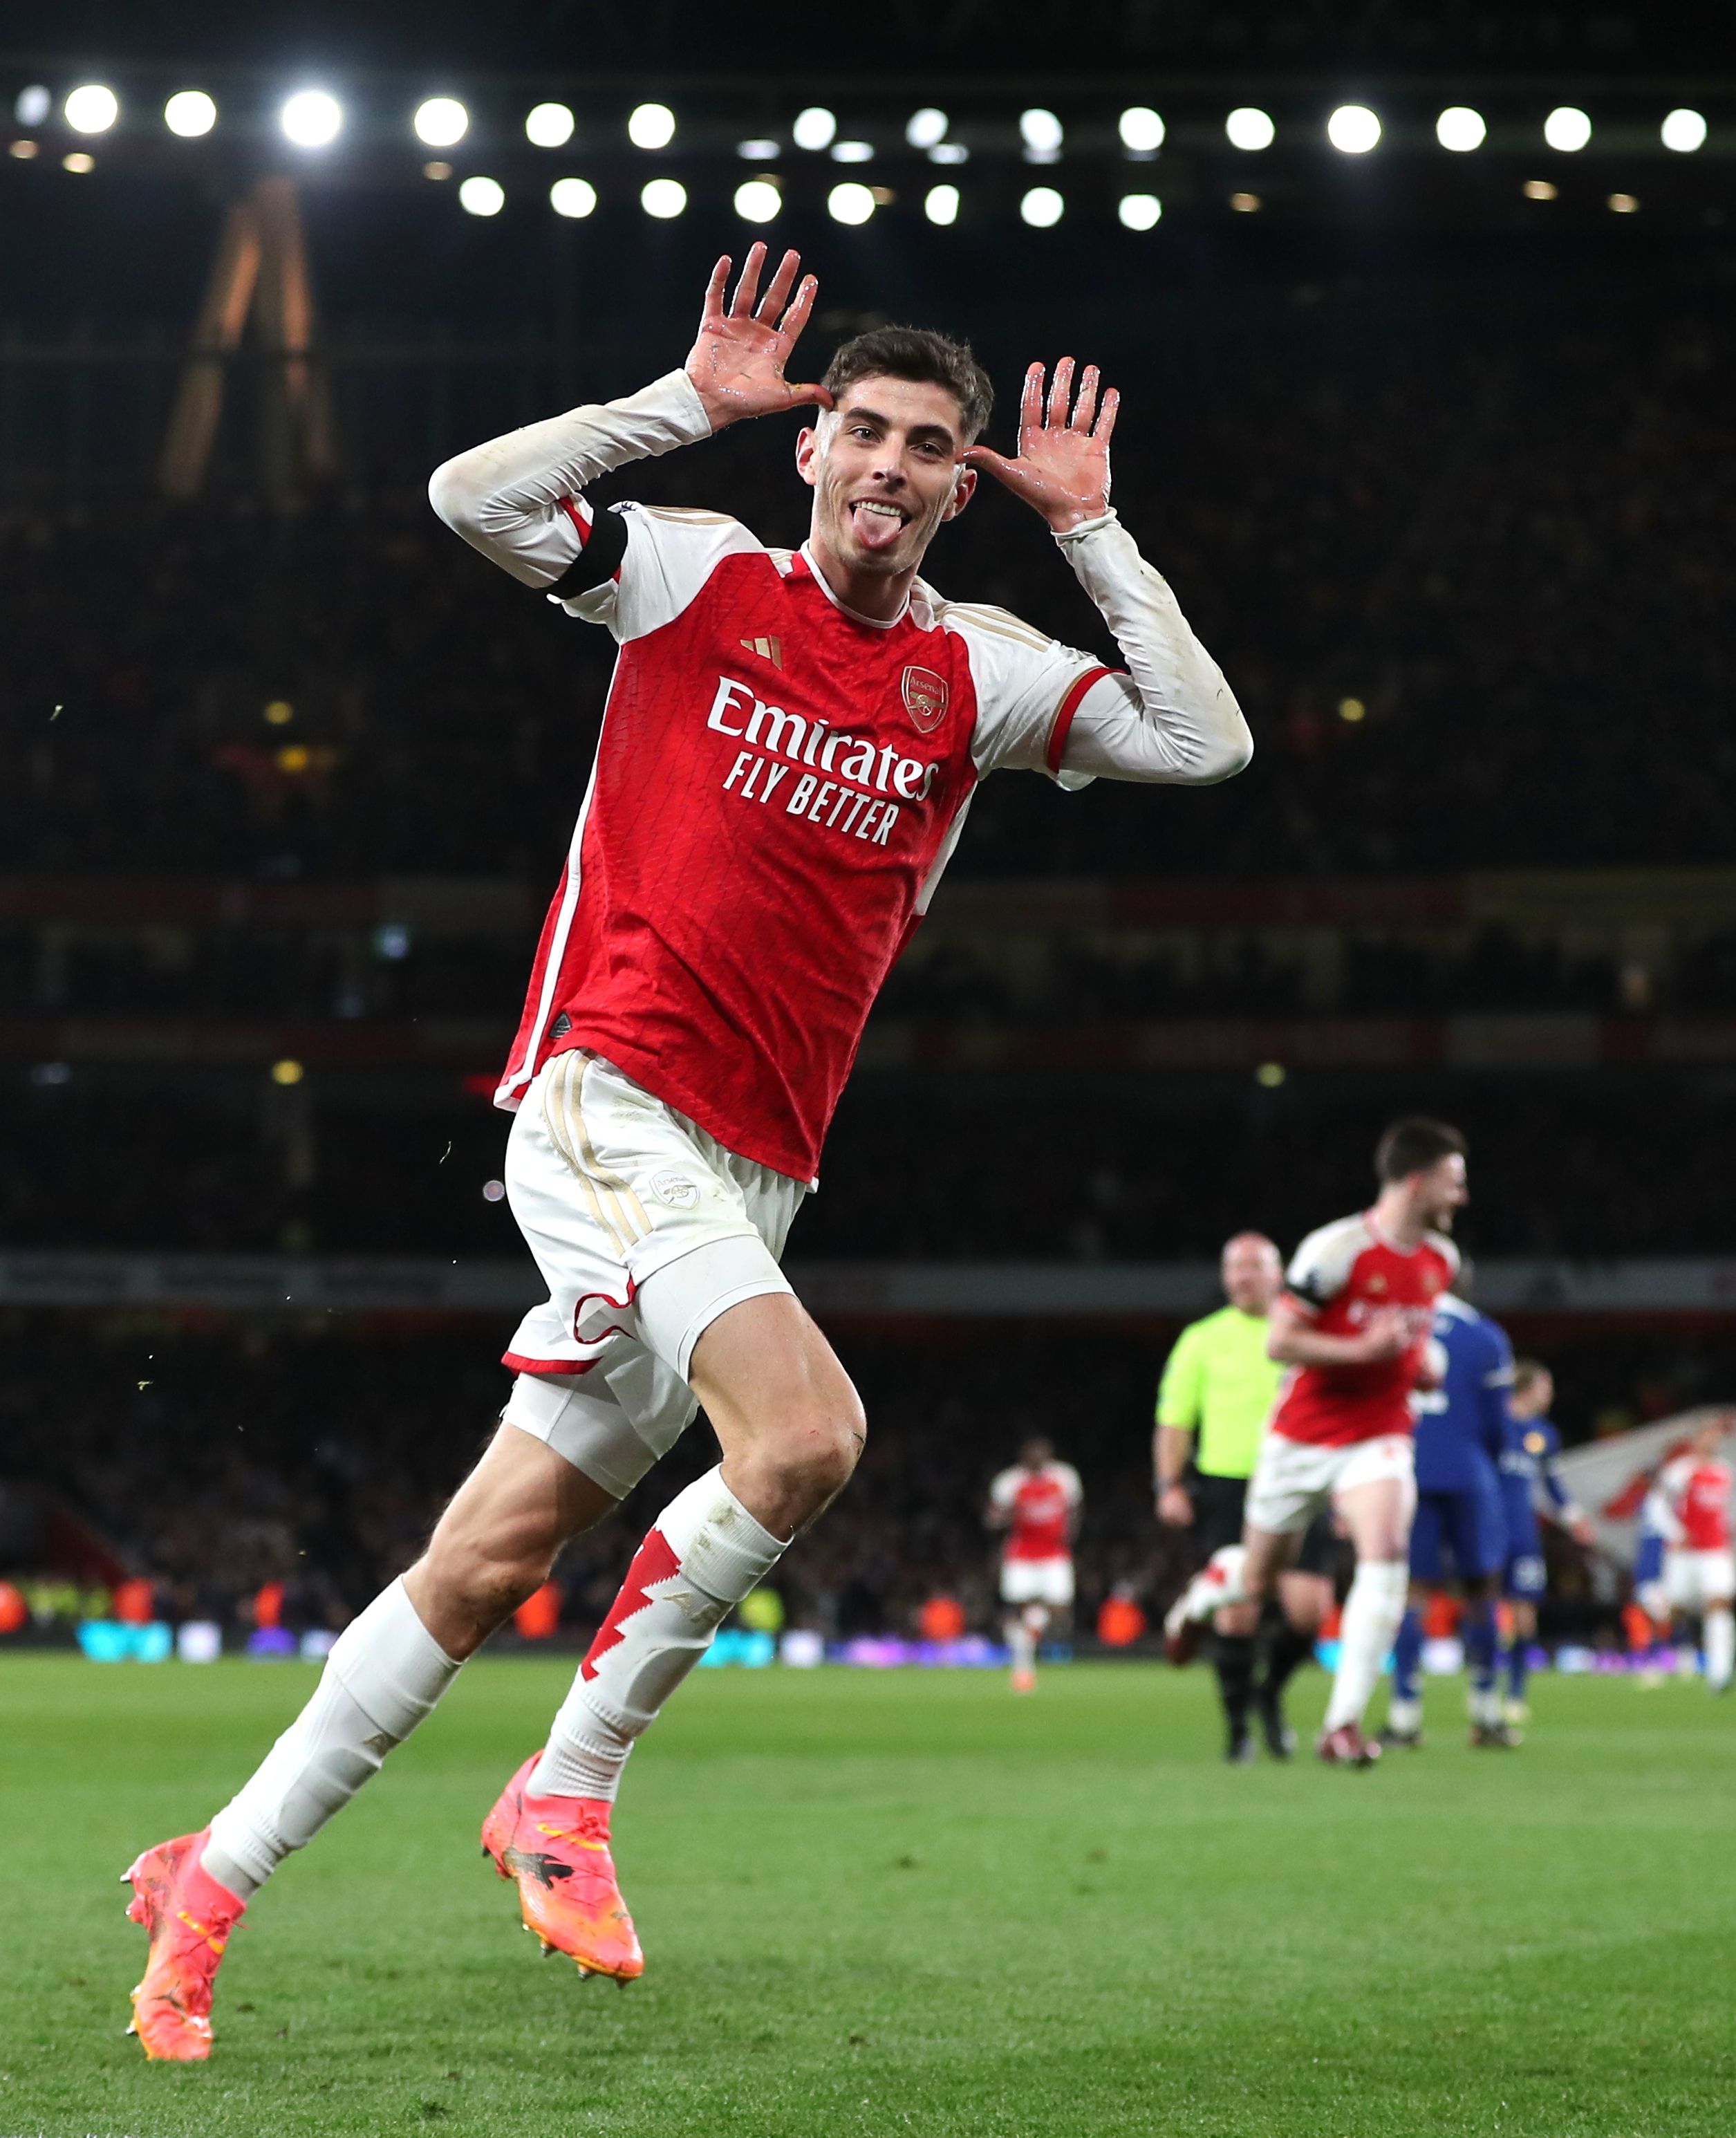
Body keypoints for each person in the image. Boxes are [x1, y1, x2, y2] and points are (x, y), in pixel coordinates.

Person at [120, 243, 1252, 2059]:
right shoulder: (685, 572)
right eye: (859, 429)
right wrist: (682, 407)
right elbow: (466, 496)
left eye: (926, 445)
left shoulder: (977, 674)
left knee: (483, 1557)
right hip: (606, 1098)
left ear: (964, 480)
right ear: (811, 453)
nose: (885, 462)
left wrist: (1092, 531)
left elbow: (1204, 740)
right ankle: (562, 1790)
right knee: (804, 1436)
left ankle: (213, 1876)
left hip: (754, 1170)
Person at [1164, 1117, 1466, 1767]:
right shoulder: (1335, 1251)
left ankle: (1342, 1725)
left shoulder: (1442, 1261)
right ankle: (1199, 1598)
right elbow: (1281, 1342)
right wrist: (1363, 1350)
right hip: (1300, 1439)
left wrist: (1420, 1364)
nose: (1461, 1196)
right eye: (1453, 1181)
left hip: (1379, 1436)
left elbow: (1409, 1341)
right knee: (1253, 1579)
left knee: (1384, 1552)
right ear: (1417, 1181)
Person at [1154, 1232, 1334, 1760]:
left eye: (1254, 1267)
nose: (1242, 1277)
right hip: (1229, 1486)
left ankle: (1268, 1696)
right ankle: (1237, 1732)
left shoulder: (1306, 1331)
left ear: (1279, 1274)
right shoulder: (1201, 1339)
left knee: (1309, 1613)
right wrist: (1168, 1484)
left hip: (1303, 1478)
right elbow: (1173, 1421)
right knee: (1238, 1612)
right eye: (1233, 1268)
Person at [1383, 1290, 1516, 1751]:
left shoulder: (1388, 1324)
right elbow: (1499, 1425)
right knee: (1482, 1589)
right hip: (1467, 1472)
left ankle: (1404, 1717)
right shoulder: (1483, 1334)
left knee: (1410, 1594)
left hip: (1405, 1467)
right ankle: (1485, 1712)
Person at [1495, 1357, 1593, 1724]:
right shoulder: (1493, 1425)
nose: (1550, 1395)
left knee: (1524, 1616)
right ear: (1528, 1387)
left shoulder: (1544, 1434)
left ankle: (1516, 1693)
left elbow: (1553, 1486)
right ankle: (1484, 1688)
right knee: (1485, 1608)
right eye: (1545, 1387)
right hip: (1487, 1527)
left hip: (1522, 1534)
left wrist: (1574, 1518)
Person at [1642, 1419, 1735, 1694]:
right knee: (1673, 1610)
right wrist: (1675, 1532)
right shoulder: (1680, 1471)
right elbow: (1655, 1505)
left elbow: (1727, 1513)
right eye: (1706, 1435)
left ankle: (1720, 1674)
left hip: (1715, 1552)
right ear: (1696, 1439)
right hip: (1683, 1555)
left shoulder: (1725, 1473)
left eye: (1715, 1436)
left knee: (1719, 1606)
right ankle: (1653, 1659)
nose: (1711, 1441)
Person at [987, 1436, 1083, 1692]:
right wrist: (1002, 1516)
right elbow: (993, 1517)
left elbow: (1075, 1507)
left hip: (1054, 1554)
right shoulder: (1010, 1482)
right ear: (1025, 1458)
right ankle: (1024, 1668)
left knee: (1059, 1610)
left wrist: (1071, 1529)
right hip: (1022, 1555)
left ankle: (1027, 1633)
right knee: (1021, 1608)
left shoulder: (1064, 1477)